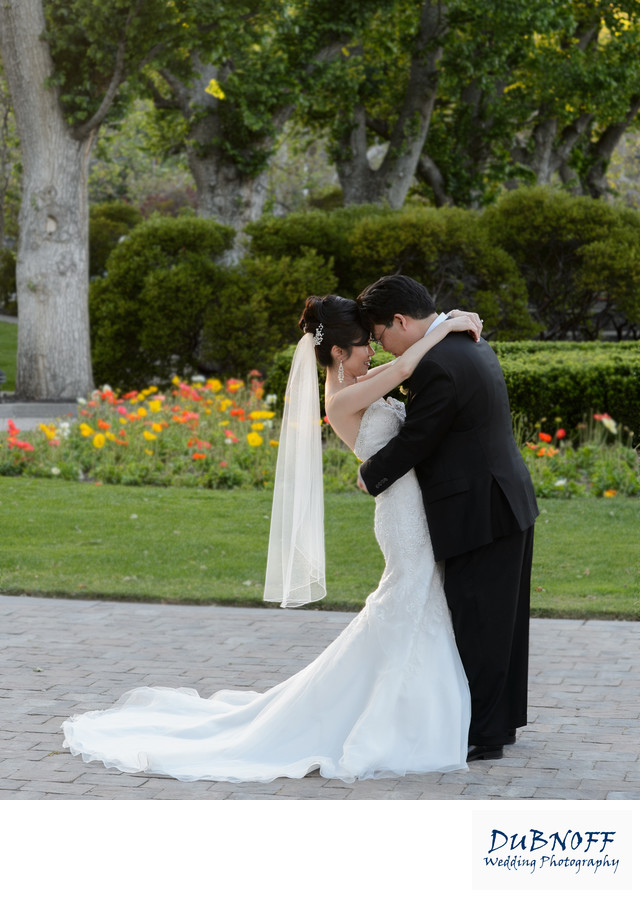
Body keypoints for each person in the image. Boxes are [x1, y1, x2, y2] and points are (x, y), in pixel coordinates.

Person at [62, 295, 482, 783]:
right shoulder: (344, 400)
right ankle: (393, 717)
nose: (372, 351)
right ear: (339, 354)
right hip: (401, 517)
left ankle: (405, 708)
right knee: (406, 598)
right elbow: (409, 363)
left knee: (415, 601)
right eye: (363, 345)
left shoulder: (359, 383)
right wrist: (448, 323)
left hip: (413, 509)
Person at [356, 275, 539, 762]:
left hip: (480, 507)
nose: (382, 346)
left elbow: (420, 437)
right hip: (505, 497)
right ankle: (501, 723)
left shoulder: (438, 362)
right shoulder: (466, 341)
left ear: (400, 320)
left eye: (380, 335)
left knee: (479, 619)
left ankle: (484, 734)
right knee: (503, 621)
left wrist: (370, 473)